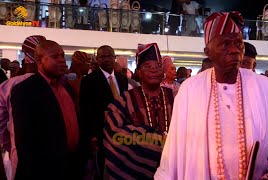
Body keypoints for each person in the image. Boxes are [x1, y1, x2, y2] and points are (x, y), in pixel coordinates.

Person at [155, 11, 268, 180]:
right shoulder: (190, 89)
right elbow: (174, 148)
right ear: (207, 52)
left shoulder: (264, 87)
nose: (234, 50)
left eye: (238, 43)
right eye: (224, 44)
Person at [10, 40, 82, 179]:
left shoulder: (67, 87)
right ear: (39, 60)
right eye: (55, 56)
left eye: (62, 55)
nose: (62, 60)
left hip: (70, 167)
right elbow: (24, 142)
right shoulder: (25, 90)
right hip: (43, 171)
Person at [103, 43, 174, 179]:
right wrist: (158, 143)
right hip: (135, 173)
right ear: (139, 72)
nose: (153, 70)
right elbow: (114, 133)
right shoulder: (124, 100)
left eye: (158, 66)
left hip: (172, 168)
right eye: (147, 67)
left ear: (163, 72)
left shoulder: (175, 97)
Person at [79, 45, 128, 180]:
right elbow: (85, 109)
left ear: (114, 58)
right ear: (97, 59)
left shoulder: (122, 78)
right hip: (101, 133)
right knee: (101, 169)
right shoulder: (89, 80)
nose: (107, 59)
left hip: (122, 133)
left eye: (109, 56)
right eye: (103, 57)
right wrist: (91, 135)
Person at [0, 35, 46, 180]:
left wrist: (11, 146)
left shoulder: (8, 86)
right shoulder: (57, 84)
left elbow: (1, 127)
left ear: (25, 55)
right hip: (53, 156)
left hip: (19, 154)